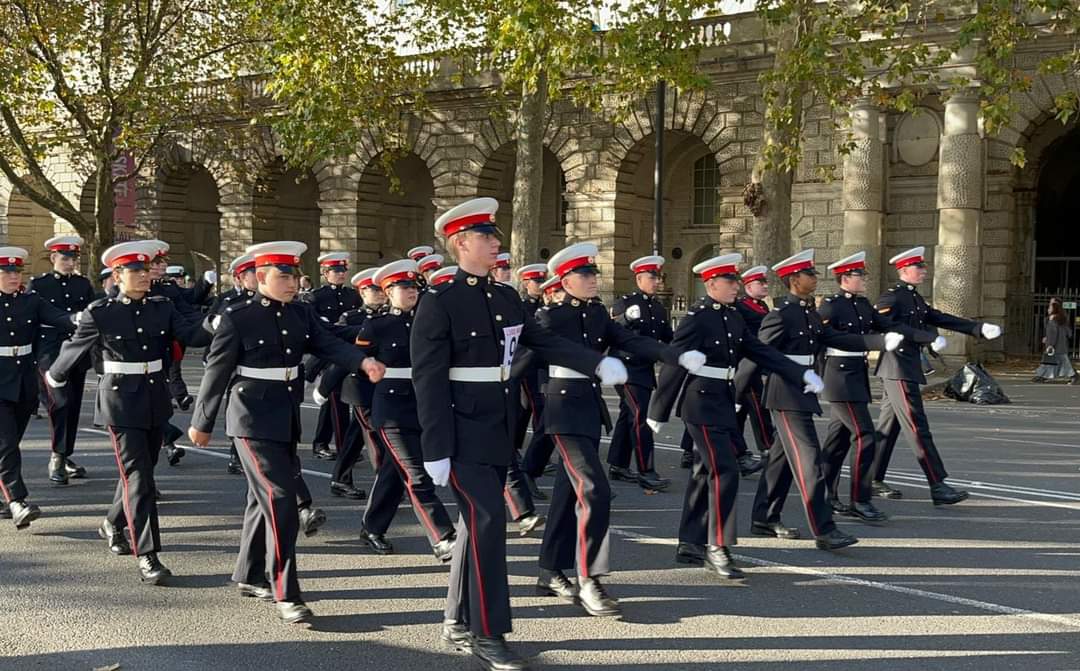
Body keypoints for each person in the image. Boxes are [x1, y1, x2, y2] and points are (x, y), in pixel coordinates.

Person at [411, 198, 622, 670]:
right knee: (488, 523)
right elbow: (428, 378)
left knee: (476, 526)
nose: (495, 243)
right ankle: (487, 632)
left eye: (495, 236)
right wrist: (435, 447)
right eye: (486, 237)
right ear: (460, 243)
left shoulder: (505, 298)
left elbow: (542, 342)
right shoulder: (439, 301)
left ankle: (456, 619)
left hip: (497, 426)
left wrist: (594, 363)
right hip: (460, 430)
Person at [188, 241, 385, 623]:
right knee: (280, 499)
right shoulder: (238, 317)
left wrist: (362, 362)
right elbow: (216, 370)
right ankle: (286, 590)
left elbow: (327, 344)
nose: (292, 282)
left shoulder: (300, 313)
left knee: (260, 500)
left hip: (285, 416)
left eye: (294, 275)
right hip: (249, 418)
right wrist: (202, 421)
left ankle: (249, 574)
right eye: (284, 276)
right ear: (261, 277)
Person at [531, 242, 703, 618]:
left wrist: (676, 356)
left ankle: (549, 570)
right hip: (562, 412)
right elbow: (532, 356)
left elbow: (632, 340)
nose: (593, 279)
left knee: (567, 493)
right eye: (585, 274)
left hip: (588, 410)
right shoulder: (549, 317)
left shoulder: (596, 313)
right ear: (565, 280)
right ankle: (589, 579)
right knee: (595, 489)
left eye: (593, 273)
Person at [47, 240, 213, 583]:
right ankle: (148, 555)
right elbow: (75, 348)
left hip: (154, 397)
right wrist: (55, 376)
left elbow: (192, 334)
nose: (143, 275)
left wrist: (217, 322)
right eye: (135, 270)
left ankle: (112, 522)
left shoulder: (162, 307)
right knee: (140, 478)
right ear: (118, 275)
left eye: (145, 269)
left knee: (141, 471)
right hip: (119, 401)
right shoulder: (101, 311)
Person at [648, 253, 810, 580]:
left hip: (722, 398)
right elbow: (674, 360)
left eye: (736, 280)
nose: (737, 286)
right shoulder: (698, 318)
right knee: (725, 471)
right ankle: (717, 545)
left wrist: (799, 373)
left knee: (703, 472)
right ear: (711, 285)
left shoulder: (733, 316)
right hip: (700, 402)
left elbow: (760, 351)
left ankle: (690, 542)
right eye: (730, 281)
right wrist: (658, 409)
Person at [747, 249, 902, 551]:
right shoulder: (780, 315)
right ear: (795, 279)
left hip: (801, 392)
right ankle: (825, 529)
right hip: (785, 394)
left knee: (780, 460)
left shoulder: (808, 312)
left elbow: (836, 339)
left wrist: (880, 341)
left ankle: (764, 517)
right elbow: (758, 353)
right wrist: (738, 394)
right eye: (810, 274)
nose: (815, 278)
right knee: (810, 463)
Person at [340, 259, 457, 559]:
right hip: (391, 410)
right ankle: (443, 536)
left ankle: (372, 528)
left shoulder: (429, 322)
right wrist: (351, 397)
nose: (411, 292)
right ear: (388, 292)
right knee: (417, 475)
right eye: (403, 288)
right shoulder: (377, 326)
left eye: (413, 286)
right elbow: (355, 362)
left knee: (394, 472)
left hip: (424, 407)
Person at [870, 246, 1003, 503]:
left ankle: (871, 478)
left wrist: (977, 328)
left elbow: (939, 317)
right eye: (919, 267)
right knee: (917, 426)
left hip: (905, 367)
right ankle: (937, 484)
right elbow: (883, 325)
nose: (924, 271)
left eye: (923, 266)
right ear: (904, 270)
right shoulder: (892, 298)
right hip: (897, 367)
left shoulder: (914, 298)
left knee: (888, 426)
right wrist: (926, 337)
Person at [818, 252, 935, 522]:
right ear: (845, 278)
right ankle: (860, 500)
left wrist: (926, 337)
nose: (864, 279)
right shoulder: (831, 306)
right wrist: (813, 376)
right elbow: (821, 339)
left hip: (857, 375)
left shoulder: (862, 304)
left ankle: (826, 496)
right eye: (859, 274)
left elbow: (888, 324)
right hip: (839, 377)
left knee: (837, 442)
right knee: (865, 436)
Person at [0, 246, 77, 529]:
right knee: (6, 444)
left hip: (23, 380)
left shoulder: (31, 301)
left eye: (17, 271)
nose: (13, 276)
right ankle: (17, 501)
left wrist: (86, 318)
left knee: (10, 442)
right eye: (6, 272)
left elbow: (60, 318)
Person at [28, 236, 95, 485]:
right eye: (65, 258)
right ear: (53, 257)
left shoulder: (82, 284)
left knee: (73, 403)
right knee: (60, 402)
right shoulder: (39, 284)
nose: (70, 263)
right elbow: (31, 320)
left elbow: (90, 318)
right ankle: (57, 456)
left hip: (76, 350)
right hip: (49, 350)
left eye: (73, 258)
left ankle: (65, 455)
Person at [607, 255, 675, 491]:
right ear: (639, 279)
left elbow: (667, 336)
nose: (657, 282)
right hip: (625, 368)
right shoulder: (625, 303)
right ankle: (647, 471)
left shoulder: (658, 308)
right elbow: (614, 330)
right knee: (640, 417)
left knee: (629, 415)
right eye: (652, 277)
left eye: (658, 278)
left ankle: (618, 464)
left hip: (644, 369)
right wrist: (626, 318)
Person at [318, 267, 384, 500]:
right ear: (363, 293)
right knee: (375, 435)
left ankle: (340, 479)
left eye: (382, 289)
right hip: (359, 385)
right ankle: (385, 485)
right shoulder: (351, 318)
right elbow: (336, 351)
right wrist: (322, 382)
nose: (380, 294)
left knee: (355, 436)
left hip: (381, 385)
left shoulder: (389, 317)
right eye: (374, 290)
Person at [303, 252, 360, 461]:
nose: (340, 274)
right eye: (336, 271)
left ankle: (339, 445)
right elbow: (314, 326)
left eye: (342, 271)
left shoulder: (353, 295)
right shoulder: (316, 296)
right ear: (325, 273)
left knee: (343, 401)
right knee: (333, 401)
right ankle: (326, 444)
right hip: (328, 354)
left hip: (349, 351)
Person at [206, 254, 259, 475]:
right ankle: (236, 454)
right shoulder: (229, 302)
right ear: (241, 278)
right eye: (253, 274)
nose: (258, 277)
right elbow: (213, 326)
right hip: (236, 364)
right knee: (239, 412)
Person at [733, 265, 774, 467]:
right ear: (748, 286)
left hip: (758, 364)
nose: (765, 286)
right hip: (746, 365)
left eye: (765, 282)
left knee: (740, 411)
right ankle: (767, 448)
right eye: (760, 283)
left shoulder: (763, 306)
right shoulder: (740, 307)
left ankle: (737, 452)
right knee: (758, 407)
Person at [1033, 298, 1077, 383]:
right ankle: (1041, 376)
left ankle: (1074, 376)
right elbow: (1068, 333)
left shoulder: (1053, 319)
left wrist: (1050, 344)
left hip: (1055, 345)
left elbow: (1052, 333)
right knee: (1050, 360)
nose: (1048, 309)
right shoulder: (1062, 318)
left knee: (1058, 361)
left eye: (1050, 307)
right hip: (1061, 344)